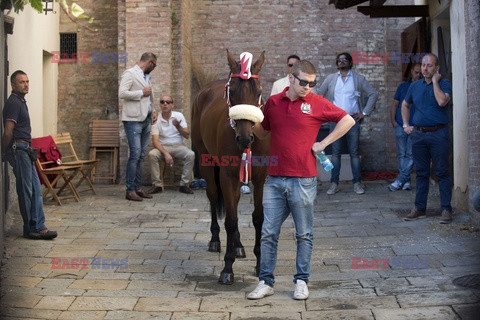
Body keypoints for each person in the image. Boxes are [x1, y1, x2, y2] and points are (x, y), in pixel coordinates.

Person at [248, 60, 355, 300]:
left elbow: (347, 120)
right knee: (268, 233)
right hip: (274, 179)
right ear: (291, 79)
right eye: (304, 82)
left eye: (312, 83)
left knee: (304, 233)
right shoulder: (274, 103)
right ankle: (265, 282)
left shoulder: (316, 103)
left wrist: (324, 143)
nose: (308, 86)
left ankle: (301, 281)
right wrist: (242, 120)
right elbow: (262, 131)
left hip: (304, 180)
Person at [1, 70, 57, 240]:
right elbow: (8, 131)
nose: (26, 85)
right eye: (21, 82)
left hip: (26, 151)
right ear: (13, 84)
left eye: (27, 81)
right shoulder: (13, 103)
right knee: (26, 191)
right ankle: (31, 228)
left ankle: (39, 226)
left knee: (35, 190)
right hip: (19, 150)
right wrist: (3, 151)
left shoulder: (20, 101)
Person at [316, 52, 378, 195]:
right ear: (336, 63)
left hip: (352, 120)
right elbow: (319, 94)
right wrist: (327, 110)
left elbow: (373, 94)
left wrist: (364, 112)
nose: (341, 62)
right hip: (335, 120)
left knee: (354, 152)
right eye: (339, 60)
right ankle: (334, 183)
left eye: (344, 60)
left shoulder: (358, 79)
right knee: (336, 153)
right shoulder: (331, 79)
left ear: (350, 62)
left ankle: (357, 183)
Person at [401, 53, 453, 224]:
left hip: (439, 133)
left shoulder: (444, 83)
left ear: (437, 68)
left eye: (429, 65)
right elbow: (405, 104)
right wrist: (406, 124)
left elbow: (442, 102)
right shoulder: (414, 86)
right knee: (422, 173)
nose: (425, 68)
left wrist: (436, 82)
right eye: (423, 65)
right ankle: (419, 208)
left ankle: (446, 209)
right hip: (419, 135)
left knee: (442, 172)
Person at [119, 52, 157, 201]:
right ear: (149, 62)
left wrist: (153, 111)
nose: (154, 68)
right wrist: (141, 92)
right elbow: (122, 93)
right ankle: (129, 190)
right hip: (133, 120)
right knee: (134, 155)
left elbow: (149, 98)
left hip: (146, 119)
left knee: (141, 155)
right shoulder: (130, 73)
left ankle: (138, 188)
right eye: (154, 65)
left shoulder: (146, 76)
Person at [147, 95, 195, 194]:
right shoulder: (156, 119)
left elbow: (186, 135)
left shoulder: (179, 116)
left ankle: (184, 185)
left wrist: (178, 126)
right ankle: (157, 185)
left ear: (172, 105)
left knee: (191, 154)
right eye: (162, 102)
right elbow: (155, 141)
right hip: (163, 147)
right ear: (160, 105)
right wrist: (166, 154)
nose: (165, 104)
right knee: (152, 154)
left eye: (168, 102)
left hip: (178, 146)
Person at [388, 63, 422, 191]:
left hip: (415, 126)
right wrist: (393, 121)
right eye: (416, 72)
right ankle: (406, 181)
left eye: (420, 73)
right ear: (411, 72)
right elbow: (395, 105)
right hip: (400, 125)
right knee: (401, 154)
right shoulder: (403, 87)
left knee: (411, 154)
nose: (418, 75)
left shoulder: (422, 86)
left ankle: (400, 180)